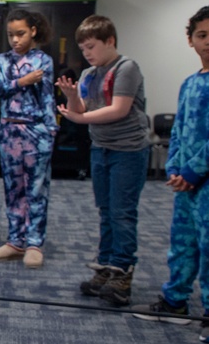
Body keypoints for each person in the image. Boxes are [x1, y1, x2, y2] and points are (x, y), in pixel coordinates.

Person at [132, 5, 209, 344]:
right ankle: (176, 302)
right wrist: (174, 169)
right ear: (191, 41)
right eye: (202, 35)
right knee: (183, 243)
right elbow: (182, 132)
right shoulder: (190, 83)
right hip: (186, 181)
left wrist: (192, 171)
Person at [56, 15, 150, 306]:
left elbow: (119, 109)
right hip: (101, 149)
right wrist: (71, 97)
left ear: (110, 41)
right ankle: (107, 267)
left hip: (128, 151)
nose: (87, 53)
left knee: (122, 212)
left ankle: (123, 272)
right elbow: (81, 107)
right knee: (106, 210)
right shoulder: (88, 74)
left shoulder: (127, 68)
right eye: (83, 48)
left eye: (92, 46)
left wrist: (79, 116)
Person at [0, 9, 57, 268]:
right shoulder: (1, 60)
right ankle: (15, 240)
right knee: (12, 188)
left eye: (21, 34)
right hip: (8, 131)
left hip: (36, 131)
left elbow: (48, 98)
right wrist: (23, 81)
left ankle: (34, 243)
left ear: (33, 31)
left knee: (36, 189)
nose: (15, 40)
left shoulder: (43, 60)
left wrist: (50, 132)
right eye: (11, 35)